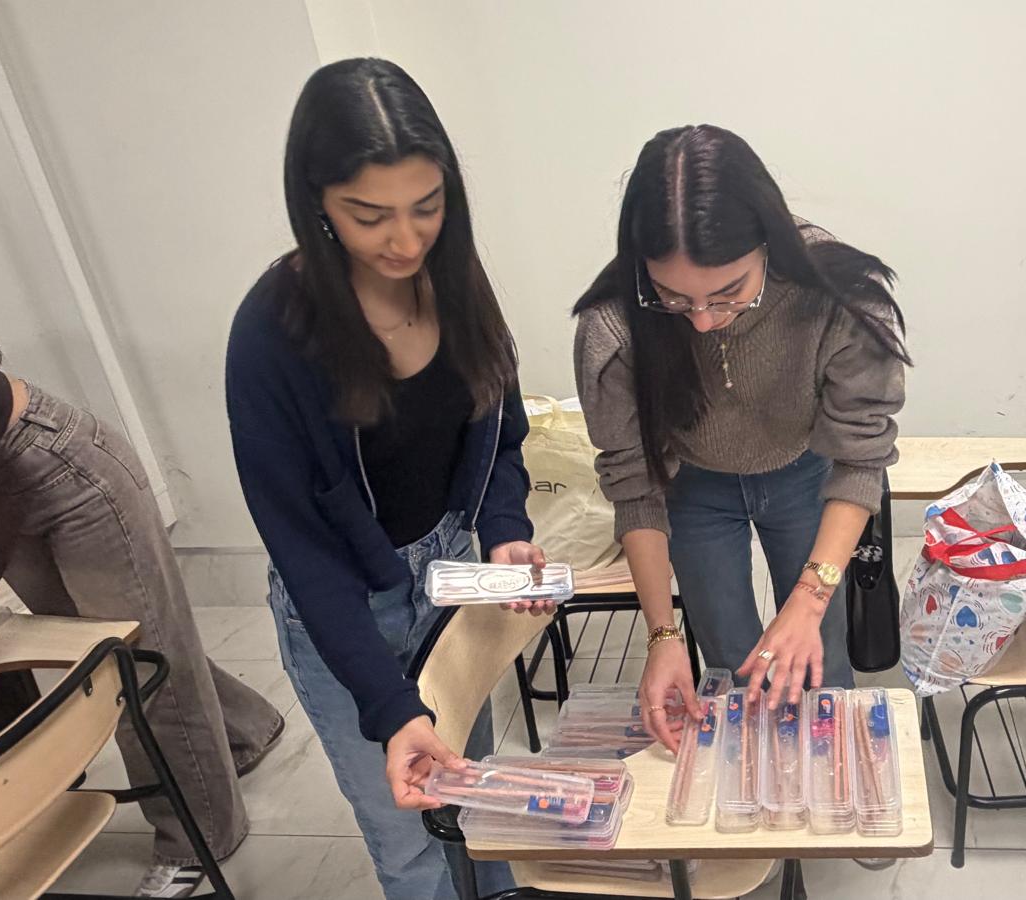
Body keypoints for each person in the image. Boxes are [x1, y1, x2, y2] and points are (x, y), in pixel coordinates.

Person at [225, 58, 545, 900]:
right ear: (318, 205)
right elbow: (304, 549)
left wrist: (505, 531)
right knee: (409, 842)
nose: (405, 241)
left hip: (448, 576)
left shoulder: (454, 279)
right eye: (369, 216)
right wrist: (392, 705)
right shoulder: (273, 333)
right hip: (342, 603)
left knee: (471, 802)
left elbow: (499, 436)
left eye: (427, 206)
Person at [0, 314, 285, 899]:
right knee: (122, 648)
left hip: (61, 475)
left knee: (132, 668)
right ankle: (246, 728)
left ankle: (196, 839)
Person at [573, 124, 910, 751]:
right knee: (729, 659)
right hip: (693, 486)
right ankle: (753, 782)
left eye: (730, 293)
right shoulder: (615, 326)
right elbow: (634, 483)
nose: (704, 321)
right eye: (674, 297)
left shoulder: (835, 298)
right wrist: (662, 637)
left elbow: (860, 457)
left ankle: (828, 773)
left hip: (806, 472)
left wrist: (809, 598)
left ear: (768, 244)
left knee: (816, 649)